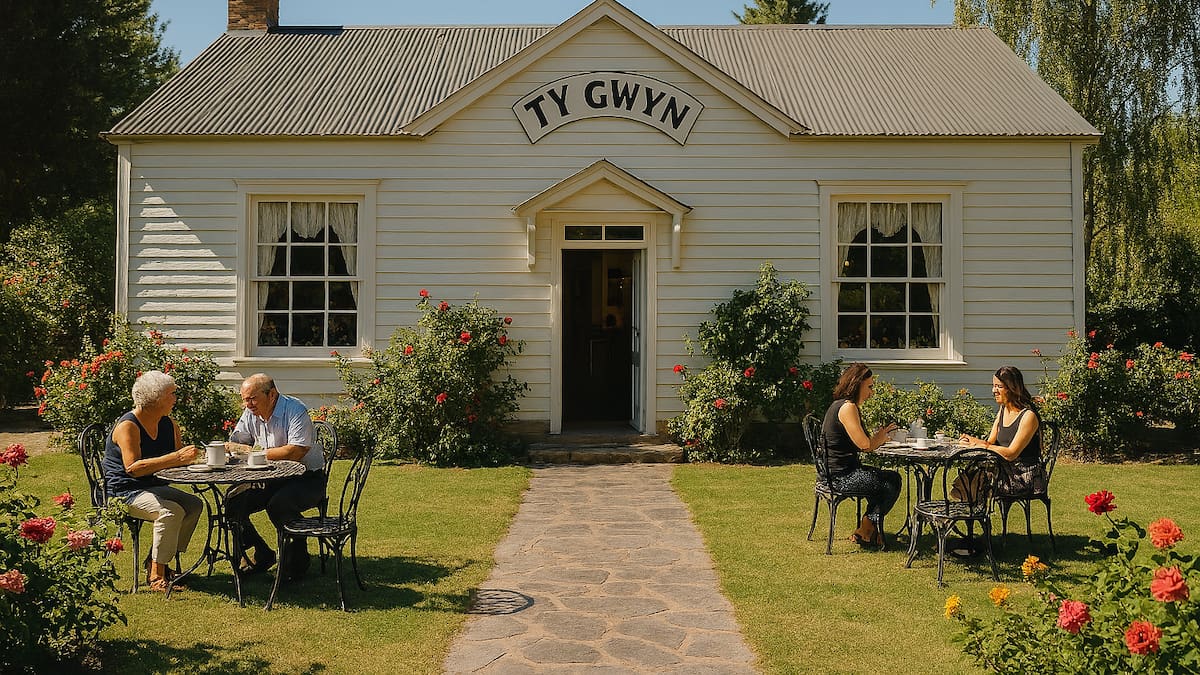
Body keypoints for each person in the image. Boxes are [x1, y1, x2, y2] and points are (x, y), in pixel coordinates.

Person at [102, 370, 205, 591]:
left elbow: (180, 459)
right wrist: (177, 457)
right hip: (124, 492)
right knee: (171, 511)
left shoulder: (168, 423)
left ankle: (156, 559)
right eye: (171, 394)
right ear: (155, 399)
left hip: (153, 487)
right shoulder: (128, 426)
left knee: (194, 504)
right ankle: (157, 575)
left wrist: (205, 460)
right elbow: (133, 469)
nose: (175, 399)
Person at [225, 373, 324, 580]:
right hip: (271, 477)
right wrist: (232, 449)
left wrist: (251, 452)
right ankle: (261, 553)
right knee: (233, 502)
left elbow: (295, 452)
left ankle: (296, 560)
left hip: (307, 478)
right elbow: (238, 442)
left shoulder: (295, 410)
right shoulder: (251, 412)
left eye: (252, 398)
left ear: (272, 394)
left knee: (279, 504)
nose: (248, 404)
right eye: (244, 399)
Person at [820, 363, 902, 548]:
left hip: (837, 472)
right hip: (841, 477)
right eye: (870, 386)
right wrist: (880, 437)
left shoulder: (840, 405)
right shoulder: (848, 408)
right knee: (891, 481)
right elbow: (865, 445)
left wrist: (877, 437)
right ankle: (867, 528)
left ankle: (867, 528)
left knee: (884, 479)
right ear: (857, 384)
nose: (871, 392)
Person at [960, 365, 1047, 496]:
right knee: (970, 477)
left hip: (1025, 476)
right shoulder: (1003, 410)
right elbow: (990, 442)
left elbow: (1011, 453)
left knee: (975, 480)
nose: (994, 390)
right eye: (993, 386)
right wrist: (971, 440)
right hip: (1005, 470)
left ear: (1013, 388)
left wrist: (980, 446)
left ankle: (970, 512)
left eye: (999, 386)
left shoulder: (1028, 416)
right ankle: (969, 512)